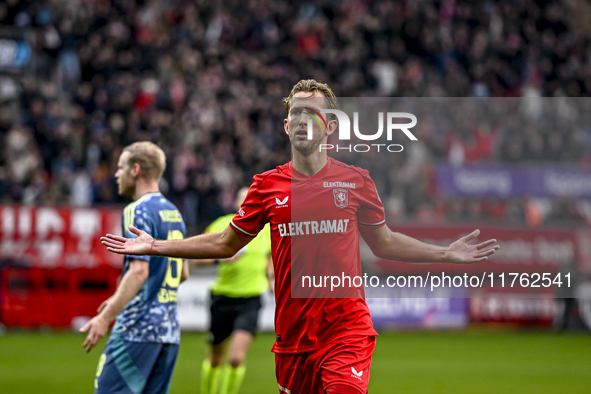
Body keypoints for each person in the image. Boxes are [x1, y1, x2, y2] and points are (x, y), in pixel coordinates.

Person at [101, 80, 500, 394]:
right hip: (292, 339)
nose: (304, 119)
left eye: (314, 112)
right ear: (287, 125)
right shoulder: (265, 186)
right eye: (297, 113)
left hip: (346, 327)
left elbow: (385, 242)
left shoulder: (356, 181)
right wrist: (156, 246)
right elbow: (225, 244)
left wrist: (445, 254)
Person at [82, 141, 189, 394]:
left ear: (136, 170)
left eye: (120, 167)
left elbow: (139, 271)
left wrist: (104, 318)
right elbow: (182, 274)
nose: (116, 174)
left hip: (137, 329)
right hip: (169, 333)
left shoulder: (137, 210)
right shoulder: (174, 212)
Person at [197, 186, 272, 394]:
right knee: (215, 360)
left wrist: (271, 279)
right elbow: (196, 259)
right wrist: (220, 259)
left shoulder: (267, 230)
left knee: (236, 358)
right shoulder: (222, 225)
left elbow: (270, 258)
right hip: (222, 298)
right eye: (243, 199)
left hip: (251, 299)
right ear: (237, 203)